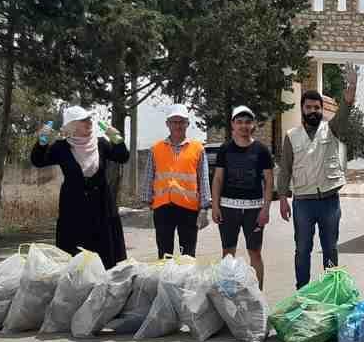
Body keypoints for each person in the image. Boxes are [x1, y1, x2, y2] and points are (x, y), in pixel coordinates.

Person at [31, 106, 130, 268]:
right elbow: (38, 160)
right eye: (84, 120)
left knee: (106, 255)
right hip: (74, 208)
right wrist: (43, 140)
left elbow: (123, 157)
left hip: (102, 207)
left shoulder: (101, 144)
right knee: (76, 257)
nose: (89, 122)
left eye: (89, 119)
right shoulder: (61, 148)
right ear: (73, 125)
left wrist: (116, 137)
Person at [278, 90, 350, 289]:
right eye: (308, 107)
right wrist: (283, 198)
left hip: (329, 201)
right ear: (302, 108)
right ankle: (302, 292)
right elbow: (285, 169)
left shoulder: (331, 129)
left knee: (330, 248)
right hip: (303, 203)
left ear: (322, 109)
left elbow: (344, 114)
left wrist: (350, 92)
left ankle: (331, 290)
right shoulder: (291, 136)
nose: (313, 111)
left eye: (316, 107)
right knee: (302, 250)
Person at [212, 105, 274, 289]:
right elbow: (217, 179)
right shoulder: (224, 149)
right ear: (233, 125)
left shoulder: (261, 150)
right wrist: (215, 206)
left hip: (254, 209)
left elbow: (269, 181)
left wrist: (265, 209)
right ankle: (226, 294)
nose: (243, 126)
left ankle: (258, 295)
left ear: (253, 125)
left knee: (254, 252)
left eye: (247, 122)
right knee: (227, 252)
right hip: (228, 208)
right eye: (239, 122)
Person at [145, 104, 210, 259]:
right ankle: (165, 282)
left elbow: (203, 178)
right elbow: (149, 176)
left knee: (187, 254)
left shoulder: (197, 148)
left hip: (188, 208)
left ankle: (185, 283)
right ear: (168, 124)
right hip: (162, 208)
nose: (178, 125)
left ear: (187, 124)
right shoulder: (156, 148)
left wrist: (204, 207)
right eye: (174, 122)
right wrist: (147, 200)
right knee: (164, 253)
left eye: (181, 122)